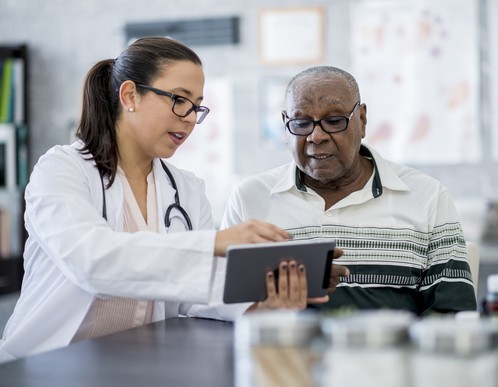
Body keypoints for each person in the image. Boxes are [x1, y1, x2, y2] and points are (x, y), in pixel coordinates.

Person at [0, 37, 328, 363]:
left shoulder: (186, 189)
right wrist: (213, 242)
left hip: (137, 364)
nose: (188, 117)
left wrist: (263, 298)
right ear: (130, 95)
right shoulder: (61, 169)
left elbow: (198, 290)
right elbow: (92, 262)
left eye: (197, 106)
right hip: (47, 364)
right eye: (178, 99)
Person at [219, 66, 477, 315]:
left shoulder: (427, 197)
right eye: (301, 123)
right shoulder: (250, 198)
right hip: (283, 356)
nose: (316, 136)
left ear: (362, 120)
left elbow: (452, 314)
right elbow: (220, 306)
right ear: (285, 126)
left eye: (334, 121)